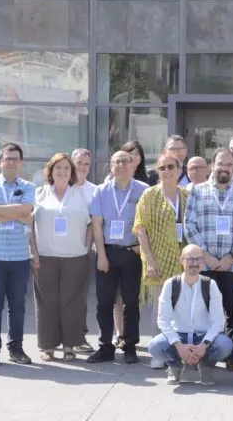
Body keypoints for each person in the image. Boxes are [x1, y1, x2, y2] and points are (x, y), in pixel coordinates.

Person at [185, 148, 233, 372]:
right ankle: (205, 352)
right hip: (204, 264)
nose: (224, 168)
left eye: (228, 164)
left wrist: (231, 256)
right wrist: (206, 255)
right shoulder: (197, 191)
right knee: (203, 310)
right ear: (212, 165)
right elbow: (189, 225)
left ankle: (232, 354)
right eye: (219, 163)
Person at [87, 151, 149, 364]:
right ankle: (106, 346)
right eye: (117, 162)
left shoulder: (144, 190)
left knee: (131, 303)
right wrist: (101, 255)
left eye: (125, 161)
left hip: (132, 253)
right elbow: (96, 224)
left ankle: (130, 345)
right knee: (104, 302)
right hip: (108, 252)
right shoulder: (100, 191)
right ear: (110, 166)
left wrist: (142, 248)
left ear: (132, 165)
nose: (121, 165)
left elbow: (149, 223)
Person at [27, 153, 91, 362]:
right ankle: (47, 346)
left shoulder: (81, 194)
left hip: (76, 256)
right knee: (47, 302)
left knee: (72, 303)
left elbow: (92, 224)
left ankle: (70, 346)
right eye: (58, 168)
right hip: (45, 257)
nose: (62, 172)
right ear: (50, 171)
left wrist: (86, 247)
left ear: (72, 172)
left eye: (66, 168)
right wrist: (33, 251)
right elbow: (30, 226)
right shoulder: (39, 193)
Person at [0, 143, 36, 366]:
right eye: (7, 158)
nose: (11, 162)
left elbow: (27, 211)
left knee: (18, 305)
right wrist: (16, 212)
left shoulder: (29, 186)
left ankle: (16, 349)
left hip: (20, 256)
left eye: (15, 158)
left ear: (21, 162)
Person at [147, 245, 233, 385]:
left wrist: (203, 346)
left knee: (225, 345)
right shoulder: (171, 284)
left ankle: (206, 365)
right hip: (179, 335)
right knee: (154, 346)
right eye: (190, 259)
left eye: (198, 259)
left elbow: (218, 322)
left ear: (203, 261)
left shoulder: (210, 285)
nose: (194, 263)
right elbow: (163, 320)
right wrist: (179, 346)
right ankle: (175, 366)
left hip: (202, 336)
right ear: (181, 260)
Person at [133, 152, 184, 367]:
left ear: (179, 170)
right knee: (160, 309)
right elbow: (140, 229)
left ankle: (179, 351)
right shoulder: (149, 195)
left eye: (171, 167)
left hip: (183, 261)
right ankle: (158, 353)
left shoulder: (187, 194)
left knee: (181, 307)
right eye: (162, 168)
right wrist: (149, 260)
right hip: (158, 259)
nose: (167, 172)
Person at [70, 147, 96, 352]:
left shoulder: (94, 191)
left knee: (79, 297)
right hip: (57, 251)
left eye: (87, 163)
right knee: (57, 296)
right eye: (79, 163)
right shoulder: (60, 187)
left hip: (84, 252)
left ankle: (79, 337)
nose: (83, 167)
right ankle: (55, 338)